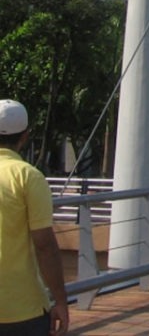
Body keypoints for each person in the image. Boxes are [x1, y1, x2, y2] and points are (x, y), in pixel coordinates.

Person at [0, 99, 70, 336]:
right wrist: (60, 301)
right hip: (22, 310)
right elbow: (44, 246)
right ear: (25, 136)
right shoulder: (28, 177)